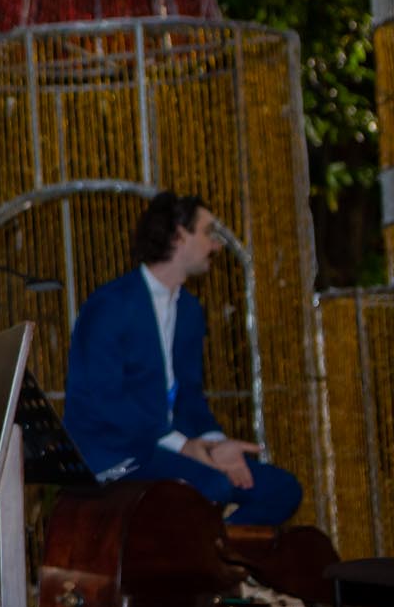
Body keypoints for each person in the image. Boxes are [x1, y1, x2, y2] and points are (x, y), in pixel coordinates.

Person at [64, 190, 301, 525]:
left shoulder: (189, 310)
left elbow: (189, 396)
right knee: (212, 486)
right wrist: (183, 446)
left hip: (168, 449)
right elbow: (106, 402)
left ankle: (219, 553)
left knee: (281, 489)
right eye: (208, 232)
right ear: (178, 234)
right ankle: (203, 554)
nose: (216, 245)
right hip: (112, 453)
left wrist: (215, 445)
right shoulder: (110, 305)